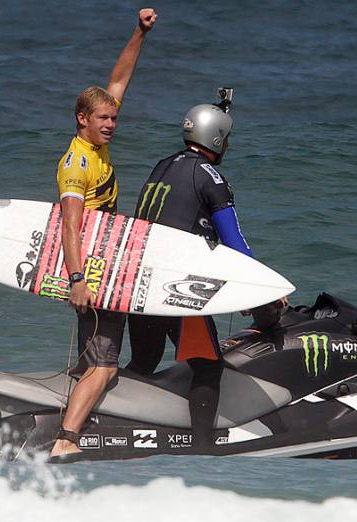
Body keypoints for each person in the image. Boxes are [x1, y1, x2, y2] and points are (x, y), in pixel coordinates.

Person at [49, 7, 157, 458]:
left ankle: (64, 415)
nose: (111, 124)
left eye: (114, 119)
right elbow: (69, 224)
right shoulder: (77, 164)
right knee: (105, 365)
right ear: (82, 120)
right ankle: (65, 441)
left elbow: (118, 82)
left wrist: (139, 33)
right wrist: (78, 280)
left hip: (107, 263)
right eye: (103, 120)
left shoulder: (97, 143)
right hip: (91, 271)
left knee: (98, 360)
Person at [127, 88, 256, 449]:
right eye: (225, 138)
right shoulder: (210, 177)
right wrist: (260, 291)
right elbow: (234, 241)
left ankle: (107, 421)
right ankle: (201, 449)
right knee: (208, 366)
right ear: (214, 137)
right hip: (176, 289)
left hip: (140, 282)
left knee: (144, 360)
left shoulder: (162, 166)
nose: (227, 145)